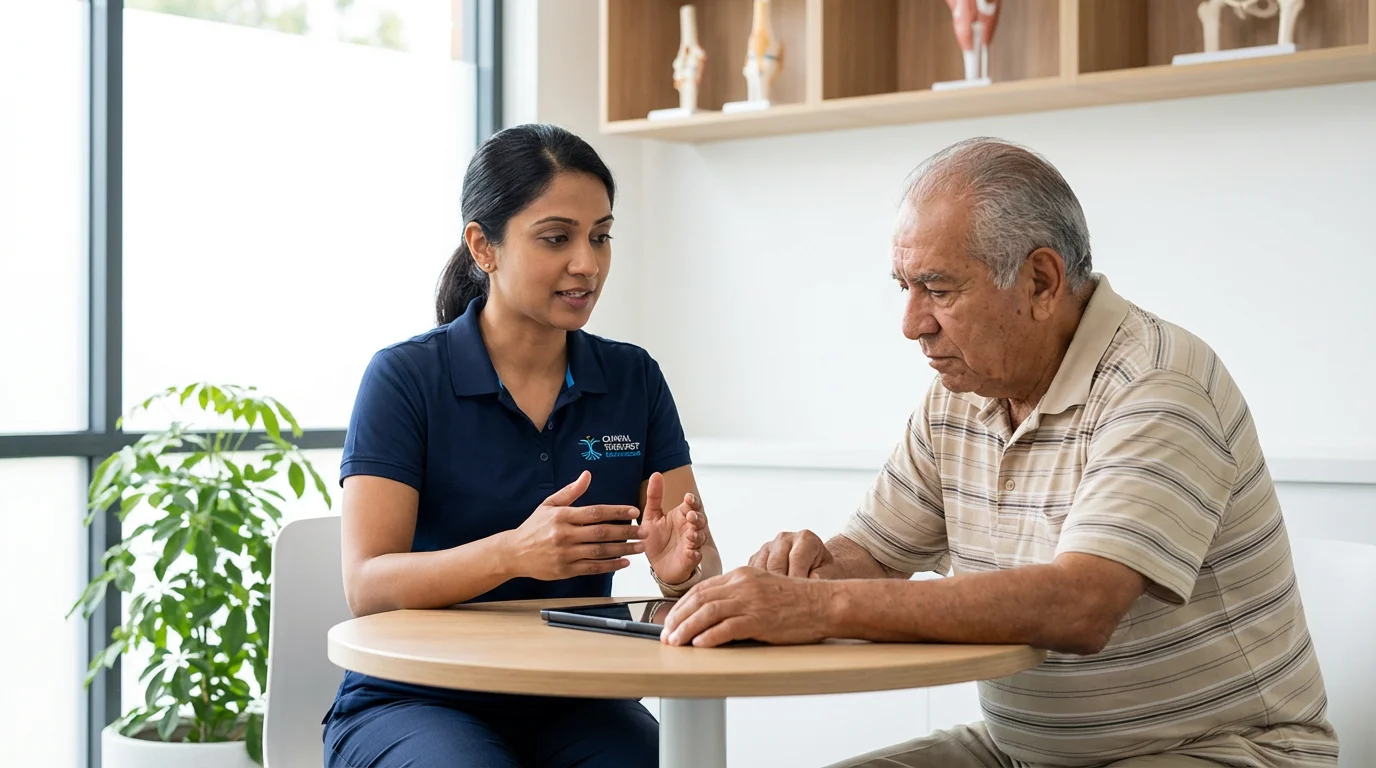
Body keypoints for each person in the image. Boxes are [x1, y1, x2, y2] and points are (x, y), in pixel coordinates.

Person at [661, 137, 1337, 767]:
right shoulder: (961, 391)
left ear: (1041, 281)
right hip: (1020, 751)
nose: (911, 324)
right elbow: (870, 560)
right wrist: (806, 572)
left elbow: (1081, 605)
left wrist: (818, 608)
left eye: (939, 288)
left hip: (1225, 750)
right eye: (905, 287)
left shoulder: (1158, 385)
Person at [323, 123, 722, 768]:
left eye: (600, 236)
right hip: (415, 698)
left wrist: (677, 578)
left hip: (579, 697)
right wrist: (515, 552)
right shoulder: (405, 378)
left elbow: (704, 580)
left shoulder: (633, 379)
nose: (587, 264)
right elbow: (368, 584)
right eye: (556, 238)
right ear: (483, 246)